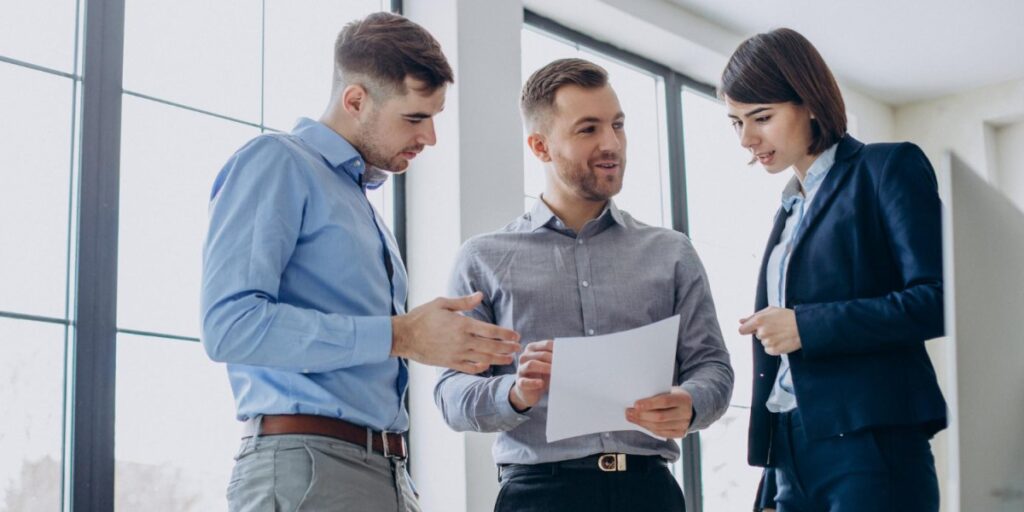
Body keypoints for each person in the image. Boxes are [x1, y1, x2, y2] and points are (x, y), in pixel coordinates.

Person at [200, 12, 521, 512]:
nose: (430, 137)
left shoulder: (358, 204)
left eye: (434, 117)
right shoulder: (277, 162)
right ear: (355, 100)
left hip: (385, 472)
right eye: (415, 118)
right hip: (308, 468)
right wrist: (401, 335)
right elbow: (229, 327)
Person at [433, 58, 734, 512]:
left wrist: (689, 402)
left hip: (649, 491)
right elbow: (450, 393)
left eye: (617, 125)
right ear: (540, 146)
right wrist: (514, 392)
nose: (611, 143)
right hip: (538, 495)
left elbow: (713, 367)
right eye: (588, 129)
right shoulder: (483, 258)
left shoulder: (671, 252)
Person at [721, 28, 947, 511]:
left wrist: (807, 326)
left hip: (869, 446)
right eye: (735, 122)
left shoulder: (886, 168)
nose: (747, 138)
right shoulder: (787, 212)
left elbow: (937, 299)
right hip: (788, 448)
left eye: (761, 117)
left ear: (811, 101)